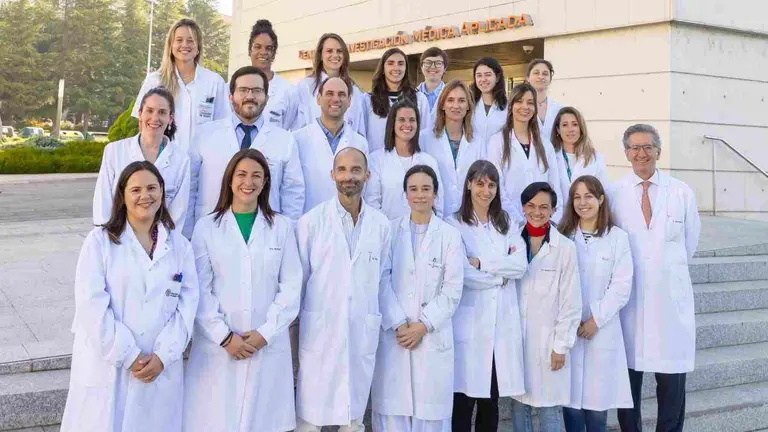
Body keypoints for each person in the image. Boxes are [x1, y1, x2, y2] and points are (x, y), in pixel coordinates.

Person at [61, 162, 199, 432]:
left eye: (152, 188)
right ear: (122, 196)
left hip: (159, 365)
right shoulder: (99, 241)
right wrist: (129, 354)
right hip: (109, 364)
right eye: (135, 189)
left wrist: (163, 354)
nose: (144, 196)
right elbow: (92, 305)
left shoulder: (180, 246)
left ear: (162, 192)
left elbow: (187, 306)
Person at [183, 149, 301, 432]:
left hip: (266, 345)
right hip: (218, 348)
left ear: (265, 183)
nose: (248, 182)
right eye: (242, 174)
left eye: (256, 176)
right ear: (230, 179)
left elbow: (292, 286)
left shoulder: (282, 227)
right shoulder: (206, 228)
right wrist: (225, 338)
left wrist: (265, 333)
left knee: (262, 422)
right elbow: (199, 290)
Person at [295, 147, 398, 431]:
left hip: (360, 332)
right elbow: (298, 282)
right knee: (309, 420)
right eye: (342, 170)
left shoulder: (381, 225)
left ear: (367, 175)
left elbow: (383, 280)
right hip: (320, 331)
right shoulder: (310, 223)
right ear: (332, 175)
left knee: (353, 419)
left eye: (356, 170)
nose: (349, 177)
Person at [611, 124, 701, 432]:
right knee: (628, 380)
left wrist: (663, 268)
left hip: (669, 298)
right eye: (634, 148)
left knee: (672, 380)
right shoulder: (614, 193)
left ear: (658, 152)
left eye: (647, 147)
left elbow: (690, 241)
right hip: (631, 298)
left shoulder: (681, 191)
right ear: (626, 153)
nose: (641, 153)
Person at [371, 164, 464, 432]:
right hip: (396, 337)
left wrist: (422, 325)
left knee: (431, 419)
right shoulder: (389, 232)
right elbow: (380, 280)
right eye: (413, 189)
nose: (420, 195)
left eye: (426, 189)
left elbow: (452, 289)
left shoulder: (450, 236)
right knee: (392, 417)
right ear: (405, 194)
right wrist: (400, 324)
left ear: (435, 194)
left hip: (431, 338)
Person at [447, 160, 528, 432]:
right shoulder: (454, 224)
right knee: (462, 403)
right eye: (480, 183)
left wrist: (480, 262)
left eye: (491, 184)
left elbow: (520, 265)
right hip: (470, 325)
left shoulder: (507, 222)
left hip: (500, 327)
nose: (486, 190)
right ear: (469, 184)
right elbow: (461, 274)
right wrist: (500, 277)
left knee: (490, 405)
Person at [187, 66, 304, 237]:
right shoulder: (204, 134)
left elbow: (293, 193)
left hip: (266, 234)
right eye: (243, 90)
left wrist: (287, 234)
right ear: (230, 96)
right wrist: (190, 233)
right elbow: (190, 187)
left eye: (257, 91)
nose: (250, 96)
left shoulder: (284, 140)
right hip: (211, 231)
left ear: (266, 97)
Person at [558, 175, 634, 432]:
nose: (582, 202)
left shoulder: (617, 238)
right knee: (571, 408)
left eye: (588, 196)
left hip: (601, 331)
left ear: (601, 199)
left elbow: (621, 286)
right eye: (577, 197)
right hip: (568, 329)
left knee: (596, 412)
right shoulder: (563, 236)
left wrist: (595, 320)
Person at [511, 182, 581, 432]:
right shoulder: (512, 241)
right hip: (517, 342)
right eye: (531, 206)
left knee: (549, 409)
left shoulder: (565, 248)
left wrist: (561, 346)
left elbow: (571, 302)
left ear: (553, 210)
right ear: (522, 208)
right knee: (519, 408)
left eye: (544, 207)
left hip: (549, 342)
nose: (537, 212)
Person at [94, 87, 190, 232]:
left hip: (160, 242)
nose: (155, 118)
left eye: (162, 112)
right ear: (140, 114)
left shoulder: (181, 160)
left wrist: (158, 243)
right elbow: (103, 200)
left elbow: (178, 211)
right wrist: (107, 236)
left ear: (170, 118)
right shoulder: (114, 151)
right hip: (118, 237)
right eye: (149, 111)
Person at [132, 19, 230, 155]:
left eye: (190, 40)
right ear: (171, 45)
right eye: (179, 40)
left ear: (198, 47)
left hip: (203, 166)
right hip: (163, 162)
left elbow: (223, 127)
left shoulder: (215, 82)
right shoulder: (154, 81)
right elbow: (143, 124)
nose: (185, 45)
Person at [487, 83, 563, 224]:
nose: (525, 107)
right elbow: (497, 188)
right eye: (519, 101)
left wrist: (552, 219)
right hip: (511, 223)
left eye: (530, 103)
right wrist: (520, 221)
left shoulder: (545, 145)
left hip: (544, 223)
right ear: (511, 106)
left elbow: (555, 187)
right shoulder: (497, 142)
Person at [293, 76, 368, 214]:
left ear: (350, 101)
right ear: (318, 99)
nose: (336, 99)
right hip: (308, 224)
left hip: (348, 223)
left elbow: (364, 190)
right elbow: (292, 191)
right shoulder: (297, 139)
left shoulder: (360, 142)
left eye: (341, 94)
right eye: (329, 93)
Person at [365, 98, 444, 219]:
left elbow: (438, 204)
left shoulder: (429, 161)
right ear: (393, 123)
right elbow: (372, 204)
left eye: (412, 120)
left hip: (423, 234)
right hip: (387, 234)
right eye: (401, 120)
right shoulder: (376, 160)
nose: (407, 125)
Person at [422, 80, 485, 216]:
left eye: (462, 100)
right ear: (442, 105)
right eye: (450, 100)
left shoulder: (477, 141)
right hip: (436, 215)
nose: (456, 106)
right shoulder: (425, 138)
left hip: (469, 215)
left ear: (468, 106)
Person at [290, 33, 366, 136]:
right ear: (320, 55)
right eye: (329, 51)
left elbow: (360, 129)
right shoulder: (305, 87)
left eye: (339, 51)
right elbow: (296, 128)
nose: (335, 55)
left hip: (347, 149)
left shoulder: (354, 90)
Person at [363, 47, 430, 153]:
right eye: (390, 63)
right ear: (383, 69)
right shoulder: (368, 100)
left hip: (410, 162)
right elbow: (362, 137)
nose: (396, 67)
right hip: (377, 163)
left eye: (400, 63)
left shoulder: (420, 99)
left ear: (406, 69)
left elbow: (425, 136)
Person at [551, 107, 608, 205]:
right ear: (558, 130)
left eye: (575, 124)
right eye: (565, 125)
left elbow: (604, 191)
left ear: (581, 128)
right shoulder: (550, 157)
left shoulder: (595, 158)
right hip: (558, 217)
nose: (570, 129)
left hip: (587, 215)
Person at [249, 19, 297, 129]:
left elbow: (290, 131)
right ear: (249, 50)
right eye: (258, 47)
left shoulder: (288, 91)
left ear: (273, 53)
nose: (263, 52)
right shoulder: (233, 87)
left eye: (268, 48)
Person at [471, 57, 508, 147]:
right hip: (473, 158)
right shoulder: (469, 105)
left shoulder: (508, 107)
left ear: (497, 77)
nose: (483, 79)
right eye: (479, 75)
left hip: (499, 157)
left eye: (488, 75)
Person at [525, 59, 562, 147]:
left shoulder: (558, 109)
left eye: (545, 74)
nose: (541, 76)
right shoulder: (519, 108)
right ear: (528, 78)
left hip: (554, 158)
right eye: (536, 73)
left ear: (550, 79)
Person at [417, 46, 448, 126]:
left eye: (438, 63)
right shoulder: (410, 95)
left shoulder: (451, 94)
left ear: (445, 68)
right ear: (421, 67)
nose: (433, 67)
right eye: (428, 63)